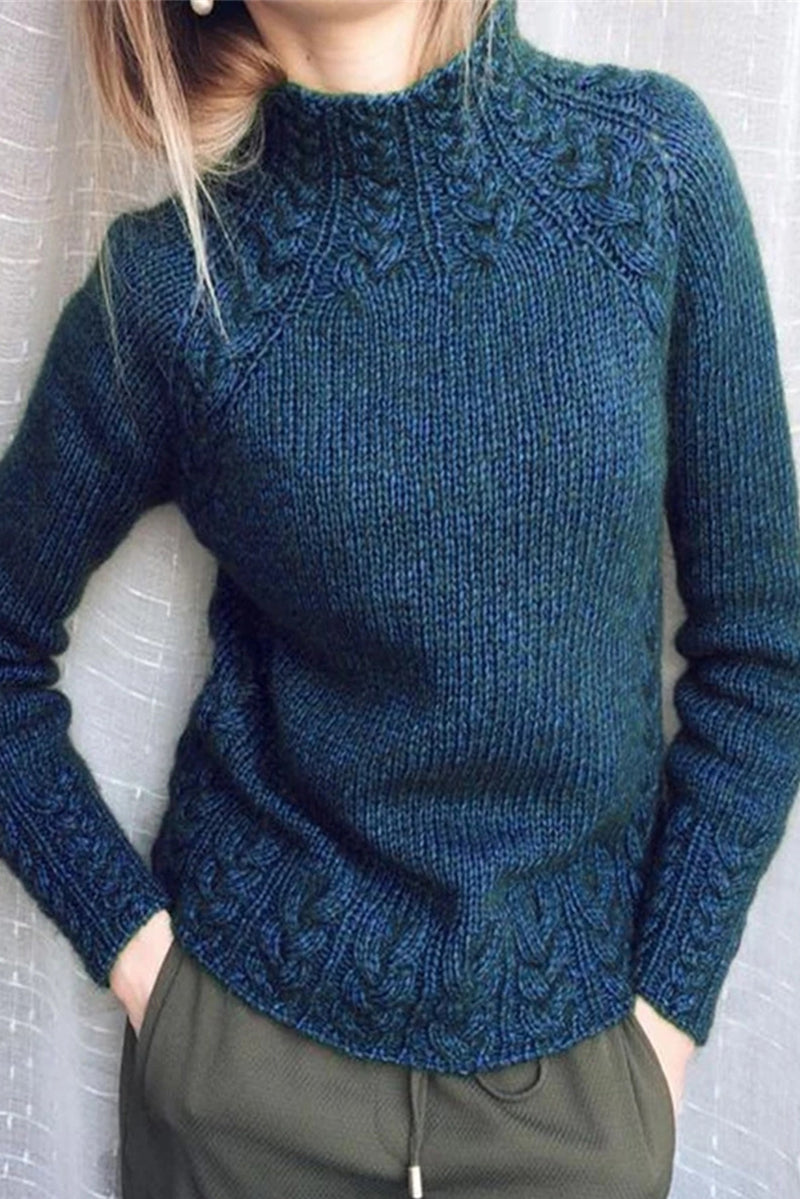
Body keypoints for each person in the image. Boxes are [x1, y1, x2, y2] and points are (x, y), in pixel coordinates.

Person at [1, 0, 799, 1195]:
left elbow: (762, 647)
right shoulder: (175, 290)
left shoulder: (646, 174)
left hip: (576, 1099)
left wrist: (660, 1025)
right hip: (239, 1093)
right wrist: (147, 969)